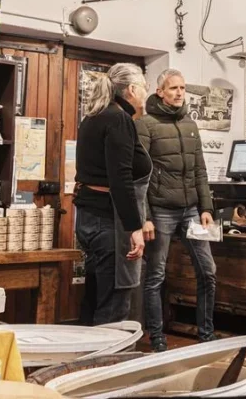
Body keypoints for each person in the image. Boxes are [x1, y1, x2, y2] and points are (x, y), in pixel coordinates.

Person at [136, 69, 217, 352]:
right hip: (161, 211)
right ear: (160, 92)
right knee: (156, 275)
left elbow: (200, 170)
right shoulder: (145, 124)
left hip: (191, 210)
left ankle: (206, 334)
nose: (180, 93)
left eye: (183, 88)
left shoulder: (190, 124)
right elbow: (139, 176)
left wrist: (206, 207)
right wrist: (144, 216)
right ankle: (157, 337)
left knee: (207, 271)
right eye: (173, 88)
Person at [74, 63, 151, 325]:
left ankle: (87, 365)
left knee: (95, 297)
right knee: (113, 308)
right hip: (110, 223)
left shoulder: (94, 116)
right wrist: (135, 228)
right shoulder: (118, 119)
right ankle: (108, 365)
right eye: (143, 87)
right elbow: (120, 179)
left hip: (90, 218)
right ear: (131, 89)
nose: (145, 93)